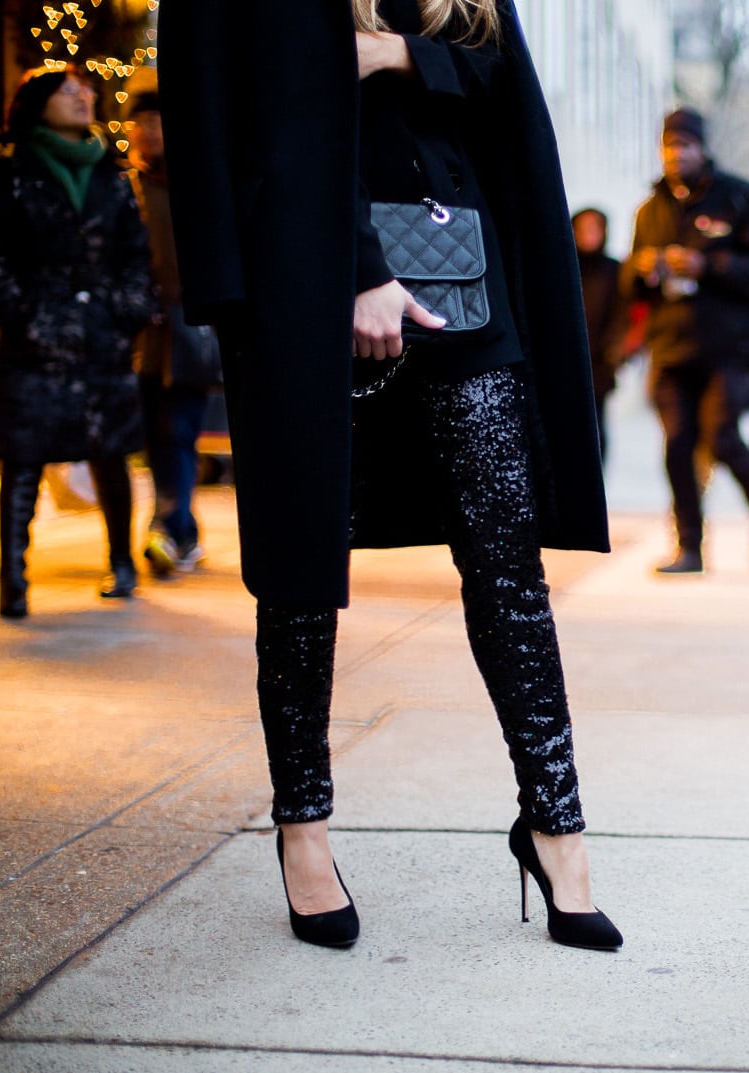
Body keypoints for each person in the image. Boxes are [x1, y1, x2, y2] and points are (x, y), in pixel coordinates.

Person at [159, 0, 619, 950]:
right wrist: (352, 270)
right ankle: (305, 830)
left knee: (508, 565)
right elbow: (221, 104)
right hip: (306, 281)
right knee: (301, 573)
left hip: (467, 278)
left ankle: (556, 826)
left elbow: (507, 89)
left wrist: (401, 55)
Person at [0, 66, 157, 618]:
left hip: (102, 336)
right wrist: (25, 316)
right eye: (67, 90)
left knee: (110, 453)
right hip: (35, 339)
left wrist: (124, 312)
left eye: (85, 89)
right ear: (36, 104)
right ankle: (13, 577)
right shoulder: (10, 170)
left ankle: (122, 562)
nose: (84, 95)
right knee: (22, 458)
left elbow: (135, 255)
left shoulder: (111, 171)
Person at [623, 107, 749, 575]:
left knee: (722, 437)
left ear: (703, 148)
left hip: (730, 349)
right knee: (677, 446)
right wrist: (645, 270)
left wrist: (706, 266)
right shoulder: (650, 210)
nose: (676, 156)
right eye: (669, 147)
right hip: (672, 348)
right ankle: (689, 548)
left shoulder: (738, 198)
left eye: (685, 146)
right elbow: (632, 287)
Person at [123, 74, 222, 578]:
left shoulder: (196, 185)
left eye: (156, 121)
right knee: (154, 436)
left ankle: (169, 528)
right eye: (139, 123)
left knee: (177, 430)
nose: (147, 131)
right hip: (143, 333)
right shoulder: (129, 187)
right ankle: (182, 530)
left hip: (189, 329)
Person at [571, 207, 630, 461]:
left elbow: (624, 314)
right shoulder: (564, 269)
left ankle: (596, 483)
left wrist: (616, 349)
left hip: (600, 361)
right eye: (583, 229)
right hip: (567, 358)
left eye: (594, 228)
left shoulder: (615, 270)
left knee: (596, 423)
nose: (589, 235)